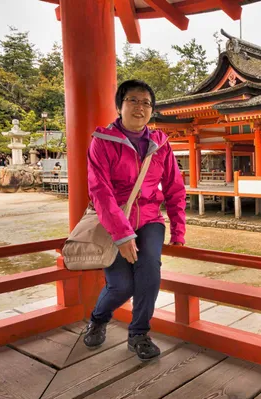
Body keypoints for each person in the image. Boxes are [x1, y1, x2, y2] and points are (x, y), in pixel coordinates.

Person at [83, 79, 187, 361]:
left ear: (151, 110)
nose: (140, 107)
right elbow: (100, 191)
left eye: (146, 102)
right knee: (122, 285)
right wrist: (123, 235)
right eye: (133, 100)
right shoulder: (102, 142)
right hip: (113, 221)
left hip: (151, 219)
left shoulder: (161, 145)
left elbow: (175, 187)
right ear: (119, 106)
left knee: (150, 272)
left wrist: (179, 229)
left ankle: (139, 334)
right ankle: (98, 318)